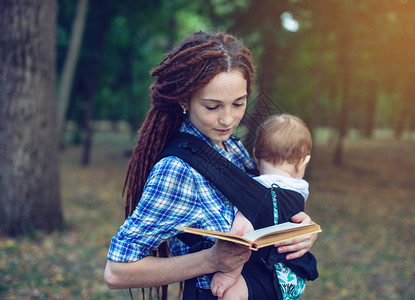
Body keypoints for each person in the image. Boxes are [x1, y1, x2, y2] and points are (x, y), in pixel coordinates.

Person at [104, 31, 318, 300]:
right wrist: (211, 260)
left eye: (238, 103)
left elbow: (263, 205)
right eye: (212, 106)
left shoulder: (233, 148)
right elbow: (116, 272)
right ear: (185, 100)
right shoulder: (177, 170)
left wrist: (297, 231)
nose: (228, 120)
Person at [211, 114, 314, 299]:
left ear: (255, 155)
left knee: (231, 294)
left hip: (261, 275)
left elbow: (241, 235)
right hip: (293, 278)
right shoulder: (299, 190)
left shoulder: (254, 192)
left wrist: (229, 274)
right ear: (302, 163)